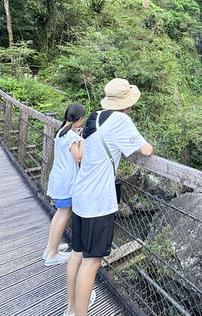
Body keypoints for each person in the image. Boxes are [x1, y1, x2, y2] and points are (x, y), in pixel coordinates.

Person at [64, 78, 153, 316]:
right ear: (126, 102)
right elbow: (145, 150)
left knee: (77, 253)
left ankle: (71, 308)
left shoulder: (94, 116)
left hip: (81, 193)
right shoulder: (122, 120)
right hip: (98, 201)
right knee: (92, 262)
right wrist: (149, 144)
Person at [43, 103, 86, 266]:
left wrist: (77, 136)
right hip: (66, 182)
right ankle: (52, 255)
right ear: (80, 119)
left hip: (58, 178)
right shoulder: (71, 137)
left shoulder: (61, 132)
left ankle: (50, 248)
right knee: (64, 214)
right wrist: (82, 139)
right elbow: (78, 157)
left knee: (59, 213)